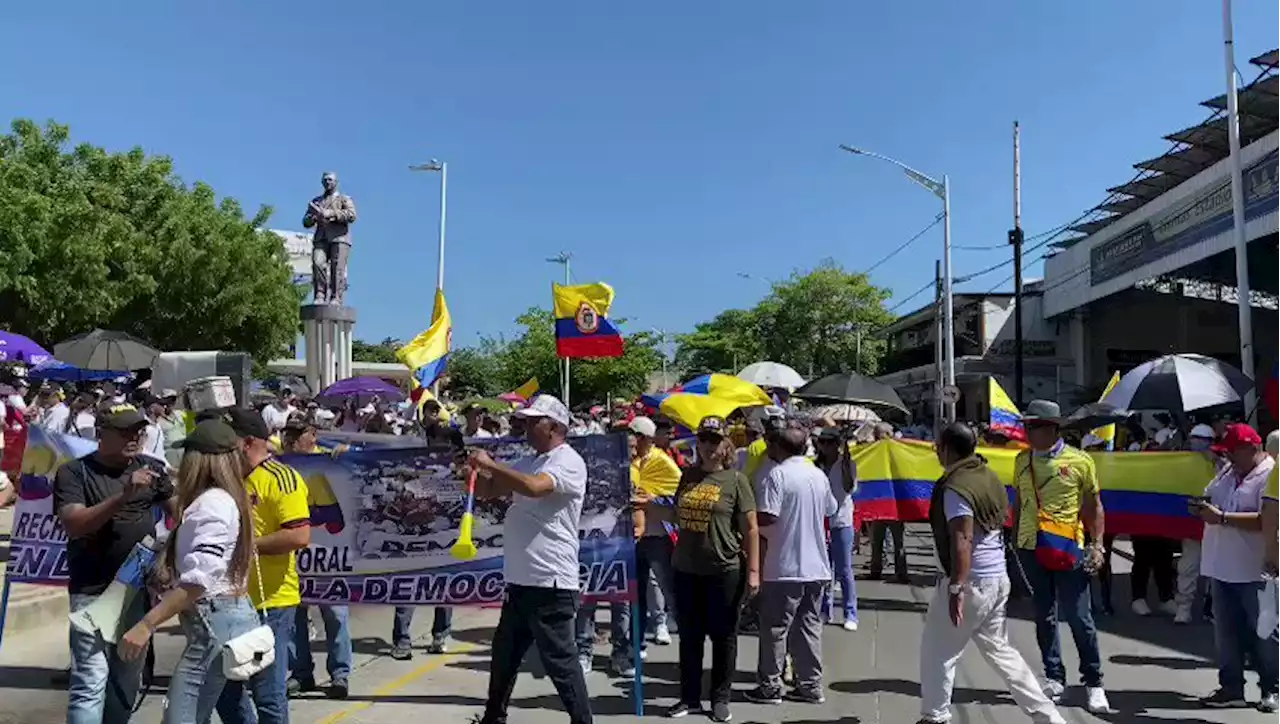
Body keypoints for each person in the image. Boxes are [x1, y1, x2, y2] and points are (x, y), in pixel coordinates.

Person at [919, 422, 1065, 724]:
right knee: (1002, 652)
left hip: (970, 582)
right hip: (996, 578)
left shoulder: (956, 486)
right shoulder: (987, 475)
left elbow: (963, 538)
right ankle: (1048, 716)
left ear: (946, 449)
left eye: (937, 446)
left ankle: (935, 717)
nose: (935, 451)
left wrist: (956, 588)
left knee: (939, 652)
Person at [118, 419, 261, 723]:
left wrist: (148, 624)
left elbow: (200, 579)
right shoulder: (224, 500)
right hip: (223, 619)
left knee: (182, 716)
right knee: (223, 710)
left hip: (213, 621)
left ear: (200, 459)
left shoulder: (212, 504)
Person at [467, 394, 592, 724]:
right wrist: (470, 470)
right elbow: (489, 491)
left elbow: (536, 488)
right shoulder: (531, 460)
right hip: (521, 580)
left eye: (533, 421)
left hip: (549, 581)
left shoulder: (567, 461)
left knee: (561, 664)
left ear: (554, 427)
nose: (525, 426)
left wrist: (492, 464)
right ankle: (494, 718)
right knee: (504, 657)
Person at [55, 403, 177, 724]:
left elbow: (183, 513)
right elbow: (74, 524)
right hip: (92, 590)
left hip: (137, 591)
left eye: (138, 430)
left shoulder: (152, 469)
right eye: (124, 431)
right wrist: (123, 496)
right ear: (100, 434)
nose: (134, 437)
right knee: (89, 681)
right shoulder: (74, 472)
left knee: (126, 681)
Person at [1013, 400, 1111, 713]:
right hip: (1030, 547)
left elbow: (1094, 506)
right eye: (1027, 426)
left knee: (1080, 618)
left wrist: (1098, 545)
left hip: (1069, 547)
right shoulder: (1020, 460)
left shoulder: (1080, 461)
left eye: (1034, 426)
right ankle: (1054, 676)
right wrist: (1014, 540)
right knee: (1044, 614)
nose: (1028, 432)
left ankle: (1094, 681)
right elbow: (1019, 503)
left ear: (1052, 428)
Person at [216, 408, 312, 724]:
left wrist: (246, 547)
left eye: (227, 444)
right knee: (224, 691)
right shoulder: (225, 478)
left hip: (270, 603)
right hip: (227, 601)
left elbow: (299, 535)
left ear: (245, 443)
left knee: (268, 693)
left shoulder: (281, 478)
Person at [662, 416, 759, 722]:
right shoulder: (687, 475)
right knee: (690, 637)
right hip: (686, 568)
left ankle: (720, 698)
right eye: (703, 439)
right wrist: (648, 507)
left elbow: (751, 529)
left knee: (723, 636)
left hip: (724, 569)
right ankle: (689, 698)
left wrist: (754, 571)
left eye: (714, 440)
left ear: (725, 444)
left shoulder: (736, 480)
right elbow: (680, 517)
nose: (707, 446)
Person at [746, 421, 837, 706]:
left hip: (783, 565)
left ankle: (771, 687)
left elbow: (769, 517)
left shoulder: (777, 475)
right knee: (808, 627)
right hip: (816, 567)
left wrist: (746, 521)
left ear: (779, 447)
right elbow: (830, 509)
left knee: (775, 629)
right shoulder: (817, 475)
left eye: (771, 444)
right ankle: (811, 686)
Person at [1195, 423, 1279, 711]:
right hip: (1222, 566)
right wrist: (1201, 506)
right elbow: (1212, 498)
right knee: (1226, 634)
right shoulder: (1229, 471)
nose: (1229, 457)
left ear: (1252, 448)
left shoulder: (1271, 473)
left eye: (1233, 452)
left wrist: (1224, 518)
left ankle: (1272, 689)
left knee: (1266, 634)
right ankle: (1231, 688)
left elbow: (1267, 520)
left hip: (1256, 569)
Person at [390, 408, 465, 659]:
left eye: (446, 444)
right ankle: (402, 640)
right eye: (436, 442)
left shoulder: (462, 471)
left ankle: (440, 635)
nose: (440, 449)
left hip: (447, 536)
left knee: (444, 588)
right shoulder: (413, 468)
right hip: (415, 535)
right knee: (406, 587)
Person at [628, 417, 681, 652]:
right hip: (629, 537)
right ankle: (636, 643)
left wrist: (653, 499)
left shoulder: (664, 463)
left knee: (669, 588)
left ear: (647, 439)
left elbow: (677, 496)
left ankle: (683, 633)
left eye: (637, 437)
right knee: (634, 592)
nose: (633, 441)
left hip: (658, 536)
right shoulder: (623, 461)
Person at [814, 426, 859, 631]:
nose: (825, 447)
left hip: (841, 521)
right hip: (820, 522)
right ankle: (825, 609)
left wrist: (847, 464)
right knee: (824, 569)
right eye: (822, 442)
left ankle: (851, 613)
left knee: (844, 569)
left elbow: (850, 488)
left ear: (837, 444)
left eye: (829, 443)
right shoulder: (816, 466)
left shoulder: (847, 464)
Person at [867, 422, 908, 583]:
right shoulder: (872, 450)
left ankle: (901, 572)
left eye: (881, 434)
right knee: (877, 540)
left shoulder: (898, 450)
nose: (878, 437)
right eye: (877, 434)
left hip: (894, 503)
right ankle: (876, 570)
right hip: (879, 502)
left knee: (898, 541)